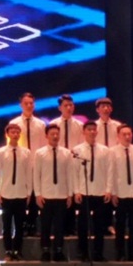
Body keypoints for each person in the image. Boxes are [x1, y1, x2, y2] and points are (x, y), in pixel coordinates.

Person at [71, 121, 111, 262]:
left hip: (100, 191)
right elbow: (74, 172)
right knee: (83, 224)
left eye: (94, 129)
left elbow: (109, 171)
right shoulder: (77, 150)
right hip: (84, 192)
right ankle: (83, 252)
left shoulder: (105, 150)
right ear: (84, 132)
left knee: (99, 225)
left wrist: (108, 190)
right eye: (89, 129)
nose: (92, 132)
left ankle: (98, 252)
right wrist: (76, 191)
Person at [0, 123, 32, 260]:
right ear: (7, 134)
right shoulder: (0, 152)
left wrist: (29, 192)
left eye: (17, 132)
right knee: (7, 225)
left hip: (21, 193)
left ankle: (18, 250)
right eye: (12, 132)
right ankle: (8, 250)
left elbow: (28, 173)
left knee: (20, 225)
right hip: (6, 193)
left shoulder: (26, 152)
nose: (15, 134)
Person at [8, 92, 46, 235]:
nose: (29, 106)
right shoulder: (14, 123)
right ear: (21, 105)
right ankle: (21, 224)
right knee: (22, 196)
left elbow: (43, 146)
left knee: (35, 196)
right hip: (20, 165)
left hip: (36, 164)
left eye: (31, 103)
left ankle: (32, 224)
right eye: (26, 103)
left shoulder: (41, 124)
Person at [33, 123, 72, 262]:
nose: (55, 136)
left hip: (61, 194)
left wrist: (70, 194)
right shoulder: (40, 153)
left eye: (57, 134)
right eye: (52, 134)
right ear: (46, 136)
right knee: (45, 225)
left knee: (60, 226)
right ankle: (45, 250)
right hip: (46, 195)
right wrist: (38, 194)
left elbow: (69, 174)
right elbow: (36, 174)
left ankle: (59, 250)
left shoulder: (66, 153)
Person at [110, 124, 133, 262]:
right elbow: (111, 173)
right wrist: (113, 192)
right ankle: (120, 253)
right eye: (124, 134)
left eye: (129, 134)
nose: (127, 136)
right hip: (120, 193)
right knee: (120, 225)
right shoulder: (112, 152)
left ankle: (132, 254)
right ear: (118, 136)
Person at [50, 94, 83, 235]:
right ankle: (58, 226)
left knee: (74, 192)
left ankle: (71, 226)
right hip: (58, 162)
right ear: (60, 108)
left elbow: (82, 145)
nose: (69, 108)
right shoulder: (53, 124)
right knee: (60, 194)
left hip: (75, 163)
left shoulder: (79, 125)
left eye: (71, 105)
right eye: (66, 105)